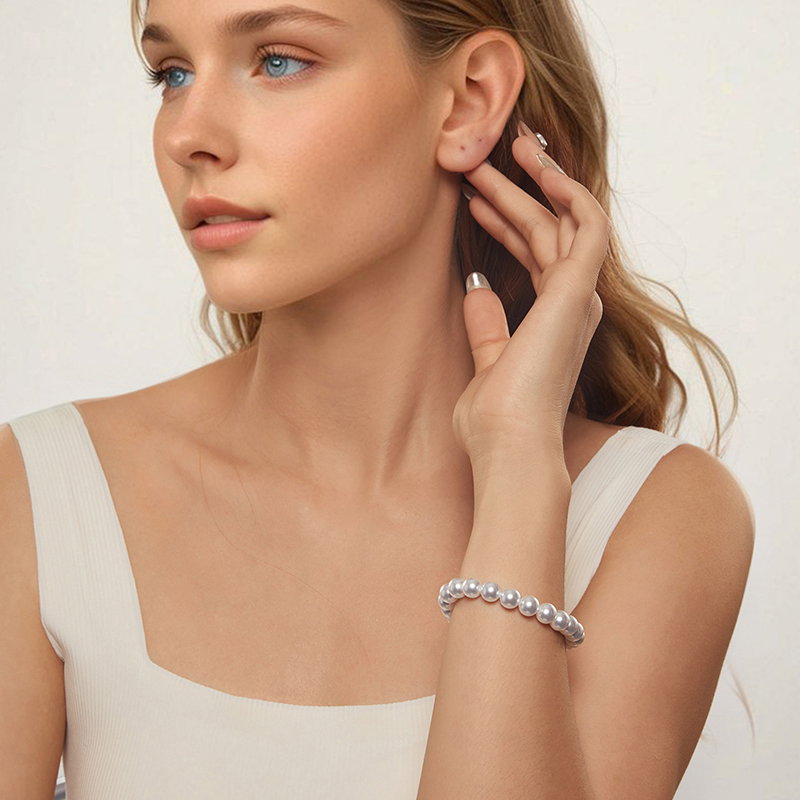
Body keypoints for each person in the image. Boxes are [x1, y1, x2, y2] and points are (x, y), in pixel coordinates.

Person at [1, 0, 755, 797]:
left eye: (279, 61)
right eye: (173, 73)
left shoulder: (656, 512)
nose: (189, 134)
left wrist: (517, 469)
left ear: (469, 99)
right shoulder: (42, 497)